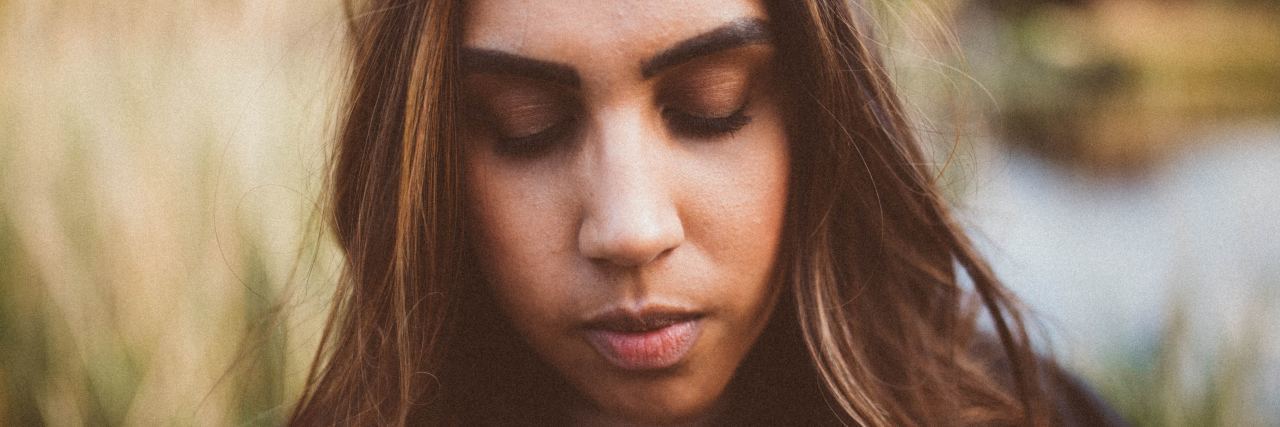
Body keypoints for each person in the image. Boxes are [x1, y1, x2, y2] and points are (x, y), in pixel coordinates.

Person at [289, 0, 1127, 425]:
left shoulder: (1021, 413)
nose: (630, 228)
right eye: (526, 124)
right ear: (430, 153)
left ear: (824, 110)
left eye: (709, 105)